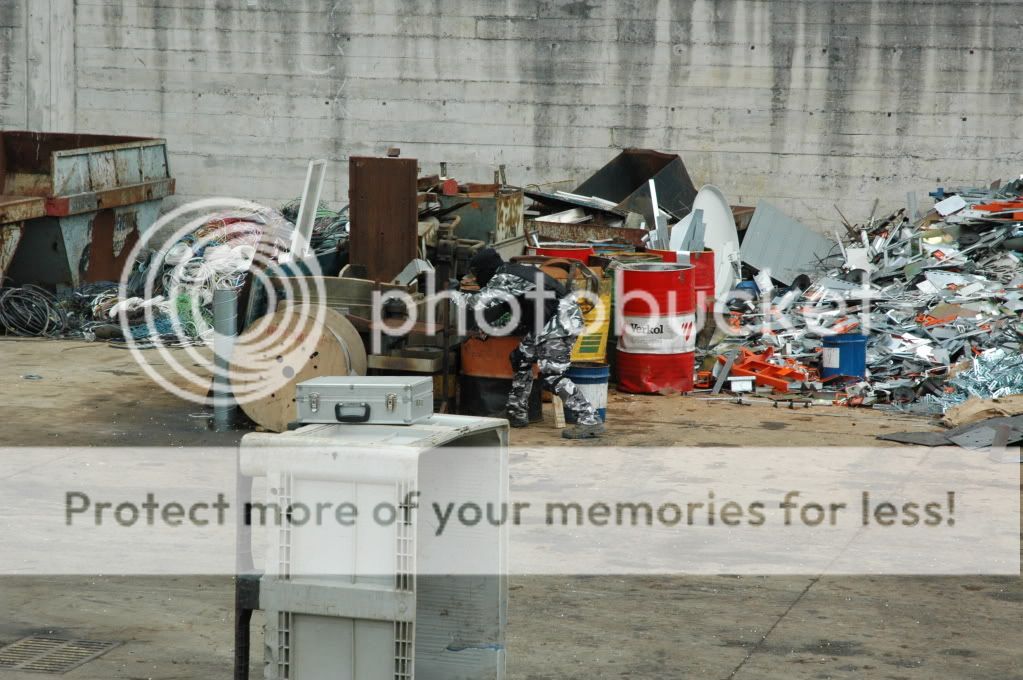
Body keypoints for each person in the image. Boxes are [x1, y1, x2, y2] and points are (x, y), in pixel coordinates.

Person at [456, 248, 605, 439]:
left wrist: (446, 295)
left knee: (552, 375)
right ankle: (516, 413)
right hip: (545, 321)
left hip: (559, 322)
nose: (475, 279)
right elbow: (504, 307)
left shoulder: (504, 277)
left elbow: (479, 302)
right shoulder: (509, 272)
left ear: (485, 268)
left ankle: (590, 420)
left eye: (476, 274)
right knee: (520, 358)